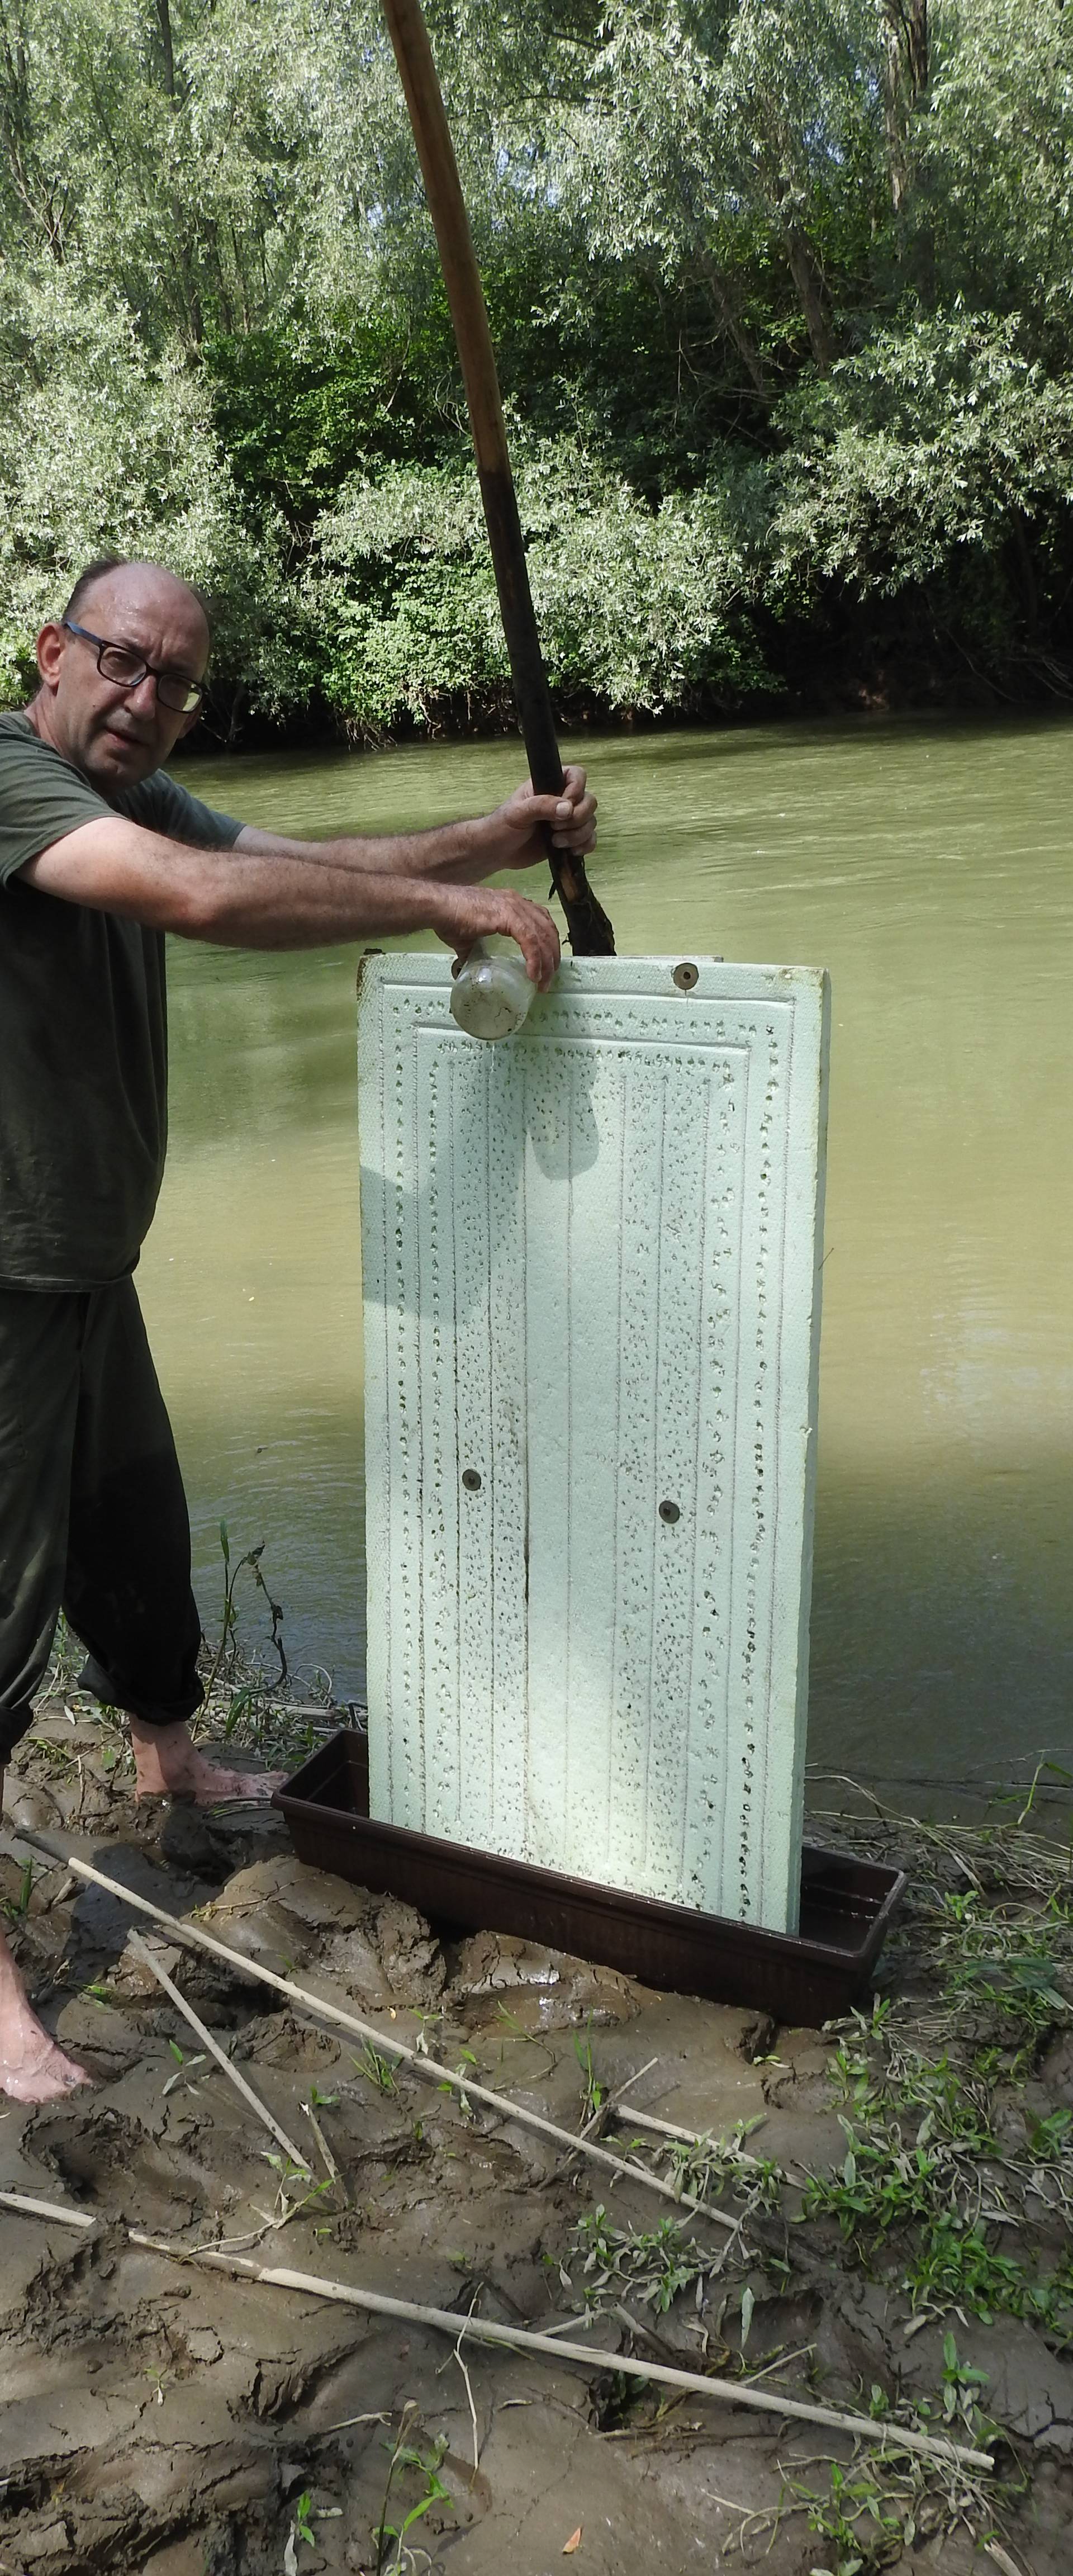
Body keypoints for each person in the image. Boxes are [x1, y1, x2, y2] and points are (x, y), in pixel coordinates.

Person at [0, 554, 597, 2103]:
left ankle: (170, 1761)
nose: (147, 701)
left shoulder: (132, 790)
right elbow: (207, 901)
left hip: (81, 1256)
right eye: (123, 663)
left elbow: (288, 854)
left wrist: (489, 839)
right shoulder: (12, 780)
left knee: (136, 1531)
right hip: (1, 1277)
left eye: (178, 681)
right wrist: (447, 908)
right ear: (50, 651)